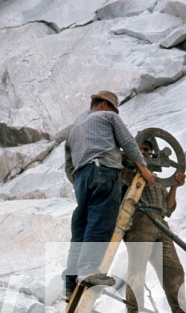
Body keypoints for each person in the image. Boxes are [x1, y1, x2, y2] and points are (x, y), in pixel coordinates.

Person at [63, 90, 155, 298]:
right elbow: (129, 143)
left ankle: (70, 284)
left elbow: (69, 167)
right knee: (100, 223)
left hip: (81, 178)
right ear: (104, 104)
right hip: (104, 172)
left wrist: (83, 181)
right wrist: (144, 169)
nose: (117, 113)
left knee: (81, 231)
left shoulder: (73, 131)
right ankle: (88, 271)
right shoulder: (108, 117)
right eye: (115, 109)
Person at [123, 136, 186, 313]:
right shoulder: (128, 172)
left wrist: (174, 184)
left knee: (174, 270)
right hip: (139, 220)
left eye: (148, 149)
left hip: (161, 222)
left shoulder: (158, 180)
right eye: (141, 148)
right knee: (137, 270)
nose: (145, 152)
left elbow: (168, 208)